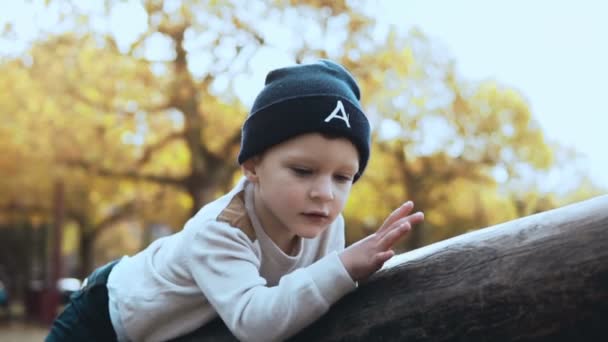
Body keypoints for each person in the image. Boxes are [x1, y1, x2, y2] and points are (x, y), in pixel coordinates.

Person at [46, 59, 424, 342]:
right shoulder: (222, 228)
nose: (325, 192)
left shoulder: (325, 221)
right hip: (106, 317)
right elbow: (255, 321)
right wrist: (343, 267)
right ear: (252, 167)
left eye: (343, 177)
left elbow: (309, 304)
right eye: (303, 171)